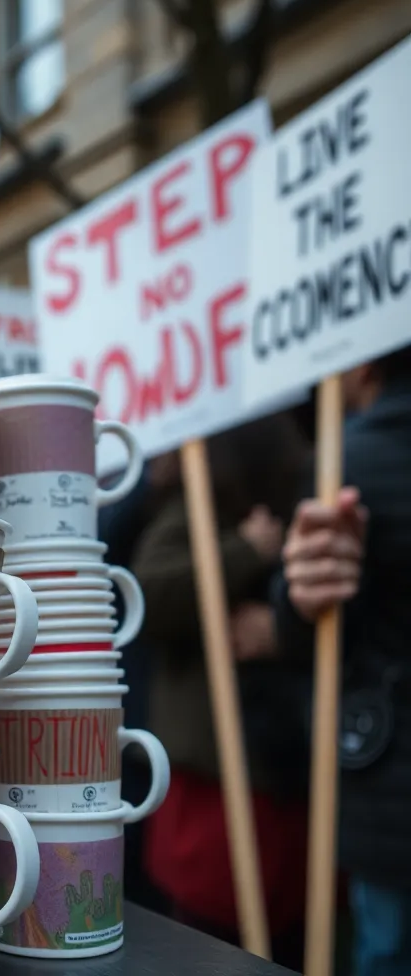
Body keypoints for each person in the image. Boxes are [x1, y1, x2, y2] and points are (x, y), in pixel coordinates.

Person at [130, 412, 313, 967]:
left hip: (279, 773)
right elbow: (150, 591)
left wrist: (281, 630)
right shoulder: (198, 510)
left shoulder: (298, 507)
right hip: (215, 780)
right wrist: (245, 552)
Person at [275, 345, 411, 976]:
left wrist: (294, 603)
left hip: (389, 798)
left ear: (364, 367)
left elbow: (310, 638)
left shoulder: (346, 461)